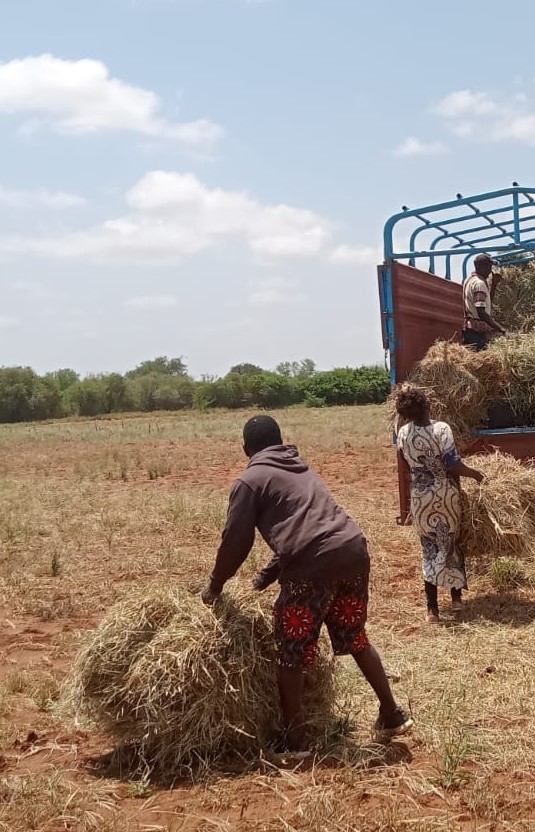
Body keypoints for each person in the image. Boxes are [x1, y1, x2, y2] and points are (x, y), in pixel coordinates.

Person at [202, 415, 413, 754]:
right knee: (356, 638)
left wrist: (214, 585)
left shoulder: (249, 481)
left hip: (313, 566)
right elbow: (308, 525)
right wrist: (264, 578)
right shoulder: (298, 466)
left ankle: (295, 739)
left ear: (246, 449)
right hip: (352, 551)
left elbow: (235, 542)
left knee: (292, 652)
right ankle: (392, 713)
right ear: (280, 440)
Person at [393, 385, 484, 623]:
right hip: (445, 494)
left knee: (429, 547)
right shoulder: (441, 429)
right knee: (451, 543)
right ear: (427, 405)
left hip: (420, 497)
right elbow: (453, 464)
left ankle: (432, 610)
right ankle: (455, 601)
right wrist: (476, 475)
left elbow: (405, 462)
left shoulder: (402, 433)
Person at [462, 253, 505, 351]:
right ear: (482, 267)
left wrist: (494, 285)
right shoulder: (479, 284)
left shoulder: (469, 280)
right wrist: (502, 329)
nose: (490, 271)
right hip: (476, 333)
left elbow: (484, 303)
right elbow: (481, 312)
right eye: (489, 267)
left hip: (471, 331)